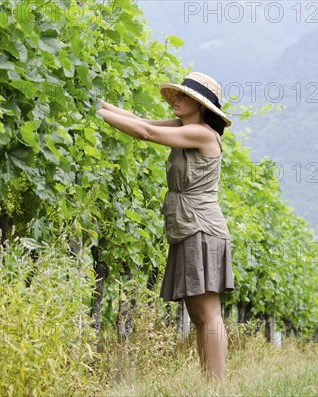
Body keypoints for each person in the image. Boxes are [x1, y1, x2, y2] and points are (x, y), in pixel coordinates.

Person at [97, 72, 234, 382]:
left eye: (183, 96)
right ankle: (210, 383)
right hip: (187, 226)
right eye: (176, 94)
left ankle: (217, 385)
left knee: (207, 313)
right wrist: (99, 103)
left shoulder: (201, 134)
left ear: (200, 106)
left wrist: (95, 113)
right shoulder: (185, 127)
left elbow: (144, 132)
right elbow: (138, 119)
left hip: (201, 227)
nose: (176, 99)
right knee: (198, 314)